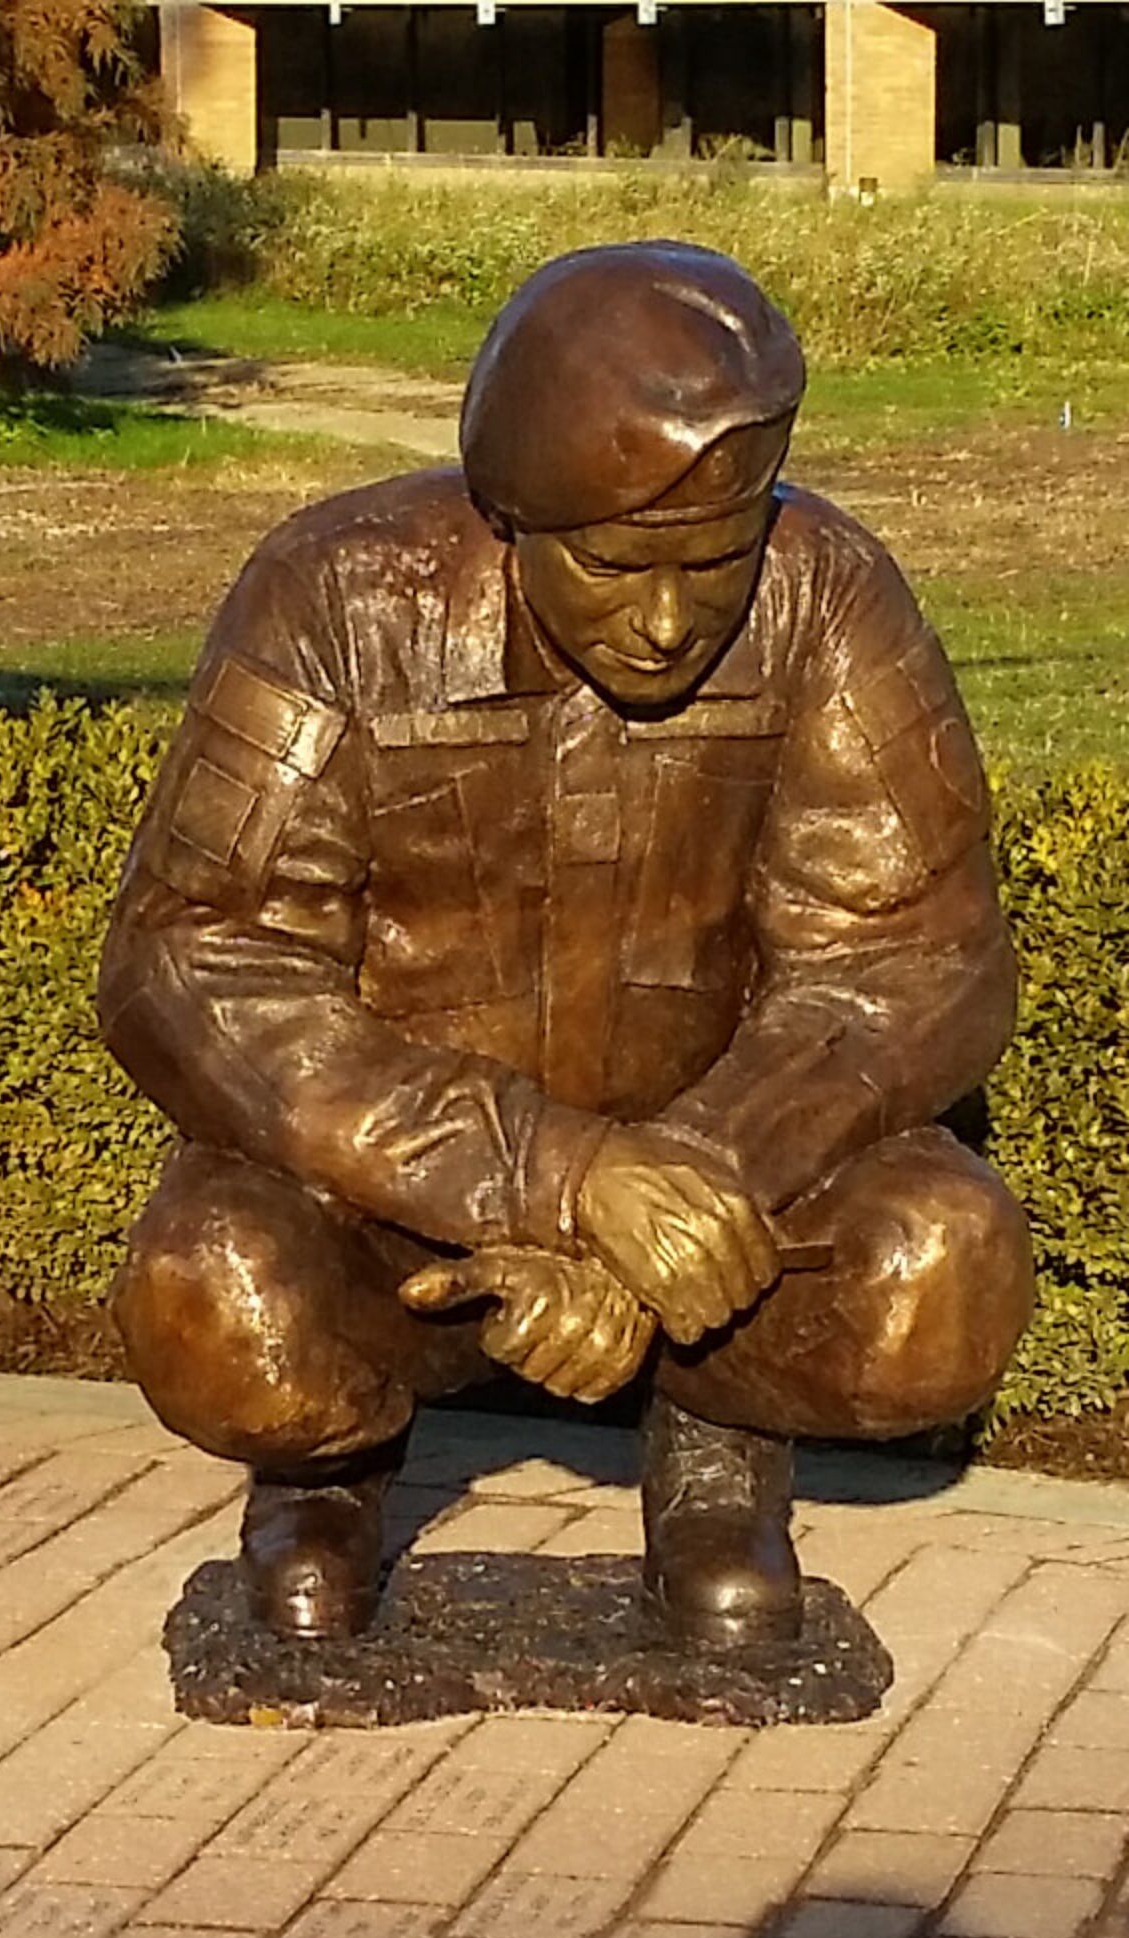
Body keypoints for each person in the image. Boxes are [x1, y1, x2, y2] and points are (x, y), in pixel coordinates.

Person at [99, 243, 1033, 1648]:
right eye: (610, 564)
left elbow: (913, 959)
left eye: (715, 563)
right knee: (209, 1300)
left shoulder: (829, 595)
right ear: (507, 515)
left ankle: (714, 1448)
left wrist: (688, 1192)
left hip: (728, 1200)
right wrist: (557, 1174)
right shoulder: (338, 601)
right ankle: (326, 1471)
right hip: (389, 1217)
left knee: (944, 1274)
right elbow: (192, 961)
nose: (666, 620)